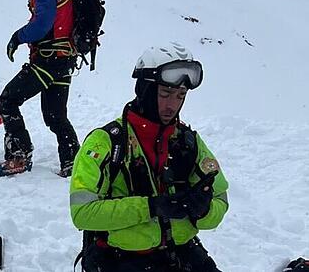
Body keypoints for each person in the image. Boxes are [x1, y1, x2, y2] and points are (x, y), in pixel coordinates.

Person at [70, 43, 228, 271]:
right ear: (144, 89)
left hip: (183, 253)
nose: (172, 105)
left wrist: (203, 211)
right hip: (122, 259)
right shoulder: (106, 142)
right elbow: (82, 214)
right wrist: (151, 207)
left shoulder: (187, 142)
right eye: (165, 94)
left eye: (180, 95)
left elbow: (220, 200)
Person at [0, 0, 80, 177]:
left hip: (48, 59)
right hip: (64, 59)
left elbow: (42, 24)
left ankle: (19, 156)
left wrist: (17, 37)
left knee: (7, 102)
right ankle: (72, 161)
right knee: (55, 116)